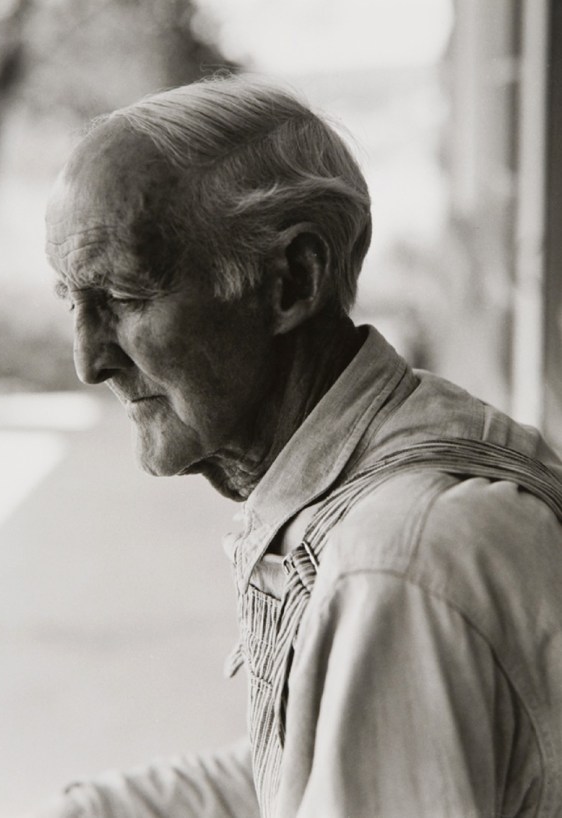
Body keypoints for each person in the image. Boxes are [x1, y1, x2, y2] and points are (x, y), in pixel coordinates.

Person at [39, 75, 562, 817]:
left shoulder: (397, 566)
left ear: (291, 280)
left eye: (122, 298)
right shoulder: (409, 452)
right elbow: (301, 772)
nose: (88, 361)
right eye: (72, 301)